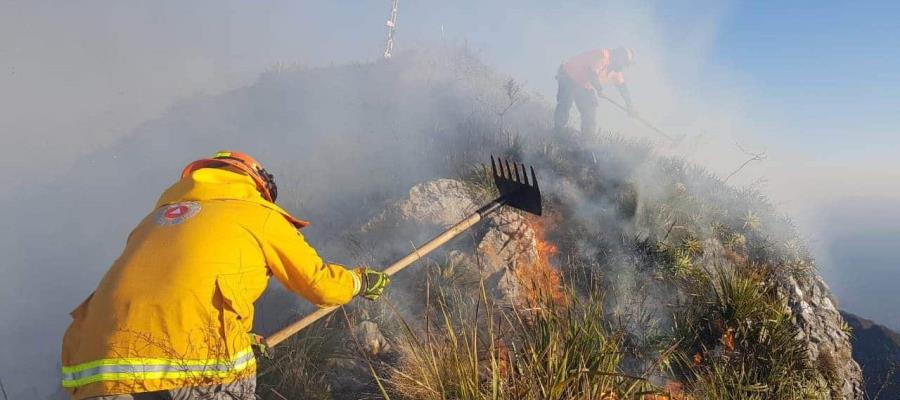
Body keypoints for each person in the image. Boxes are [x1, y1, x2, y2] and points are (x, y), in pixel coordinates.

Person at [60, 151, 390, 399]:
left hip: (95, 369)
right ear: (258, 185)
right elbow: (320, 285)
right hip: (190, 367)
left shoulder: (155, 221)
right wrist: (360, 281)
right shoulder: (256, 213)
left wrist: (237, 340)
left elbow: (170, 295)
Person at [554, 46, 637, 136]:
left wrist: (629, 106)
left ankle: (587, 140)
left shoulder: (616, 71)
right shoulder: (602, 55)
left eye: (626, 64)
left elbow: (622, 87)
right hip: (569, 75)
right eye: (624, 63)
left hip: (585, 84)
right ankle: (557, 131)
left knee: (589, 111)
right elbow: (591, 73)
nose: (623, 66)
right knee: (565, 103)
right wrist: (599, 89)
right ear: (619, 57)